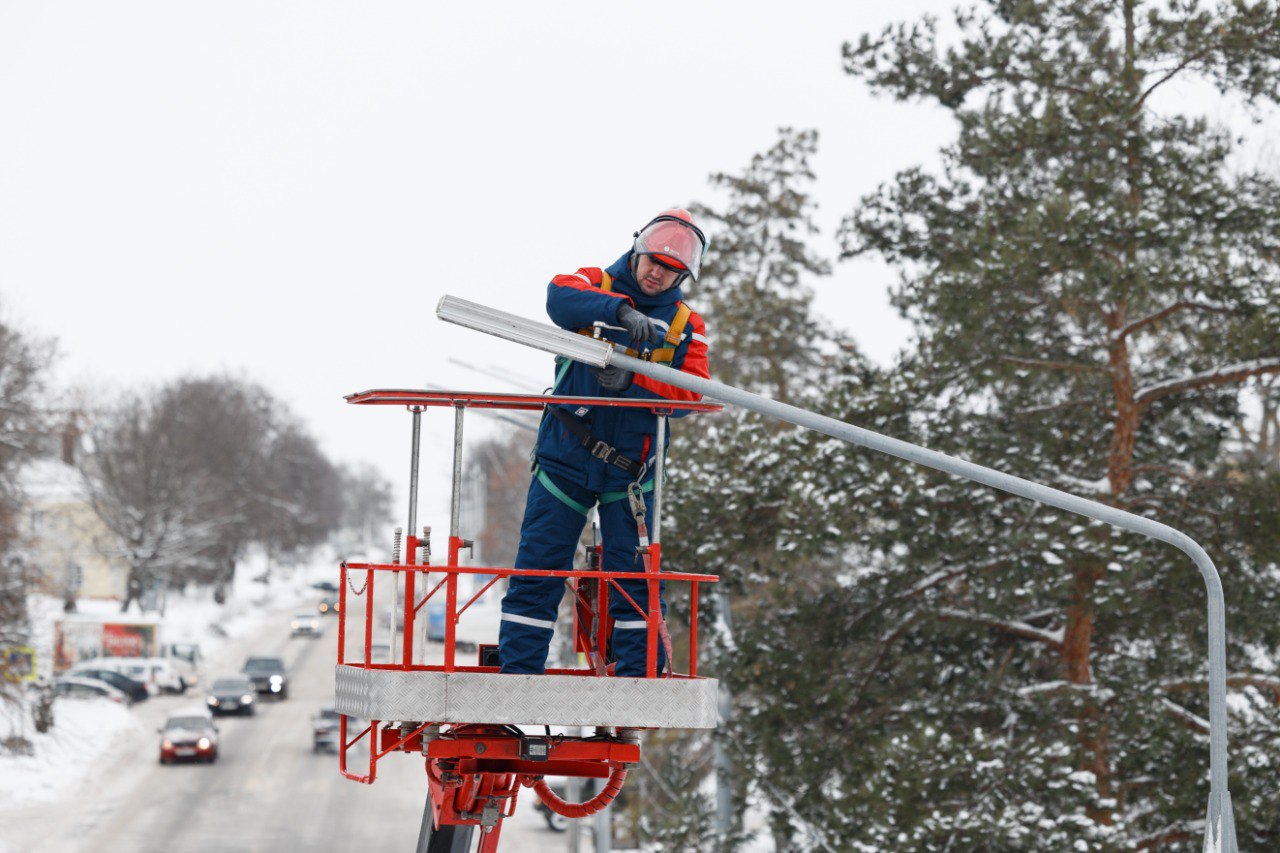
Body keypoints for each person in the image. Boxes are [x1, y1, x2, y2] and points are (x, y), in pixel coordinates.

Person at [498, 209, 711, 677]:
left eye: (670, 268)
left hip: (631, 475)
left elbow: (692, 391)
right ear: (637, 250)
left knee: (633, 582)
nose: (656, 273)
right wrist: (615, 312)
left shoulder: (685, 326)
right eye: (652, 261)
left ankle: (634, 684)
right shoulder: (595, 282)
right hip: (564, 461)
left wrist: (630, 383)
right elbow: (559, 297)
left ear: (684, 275)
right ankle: (516, 681)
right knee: (538, 569)